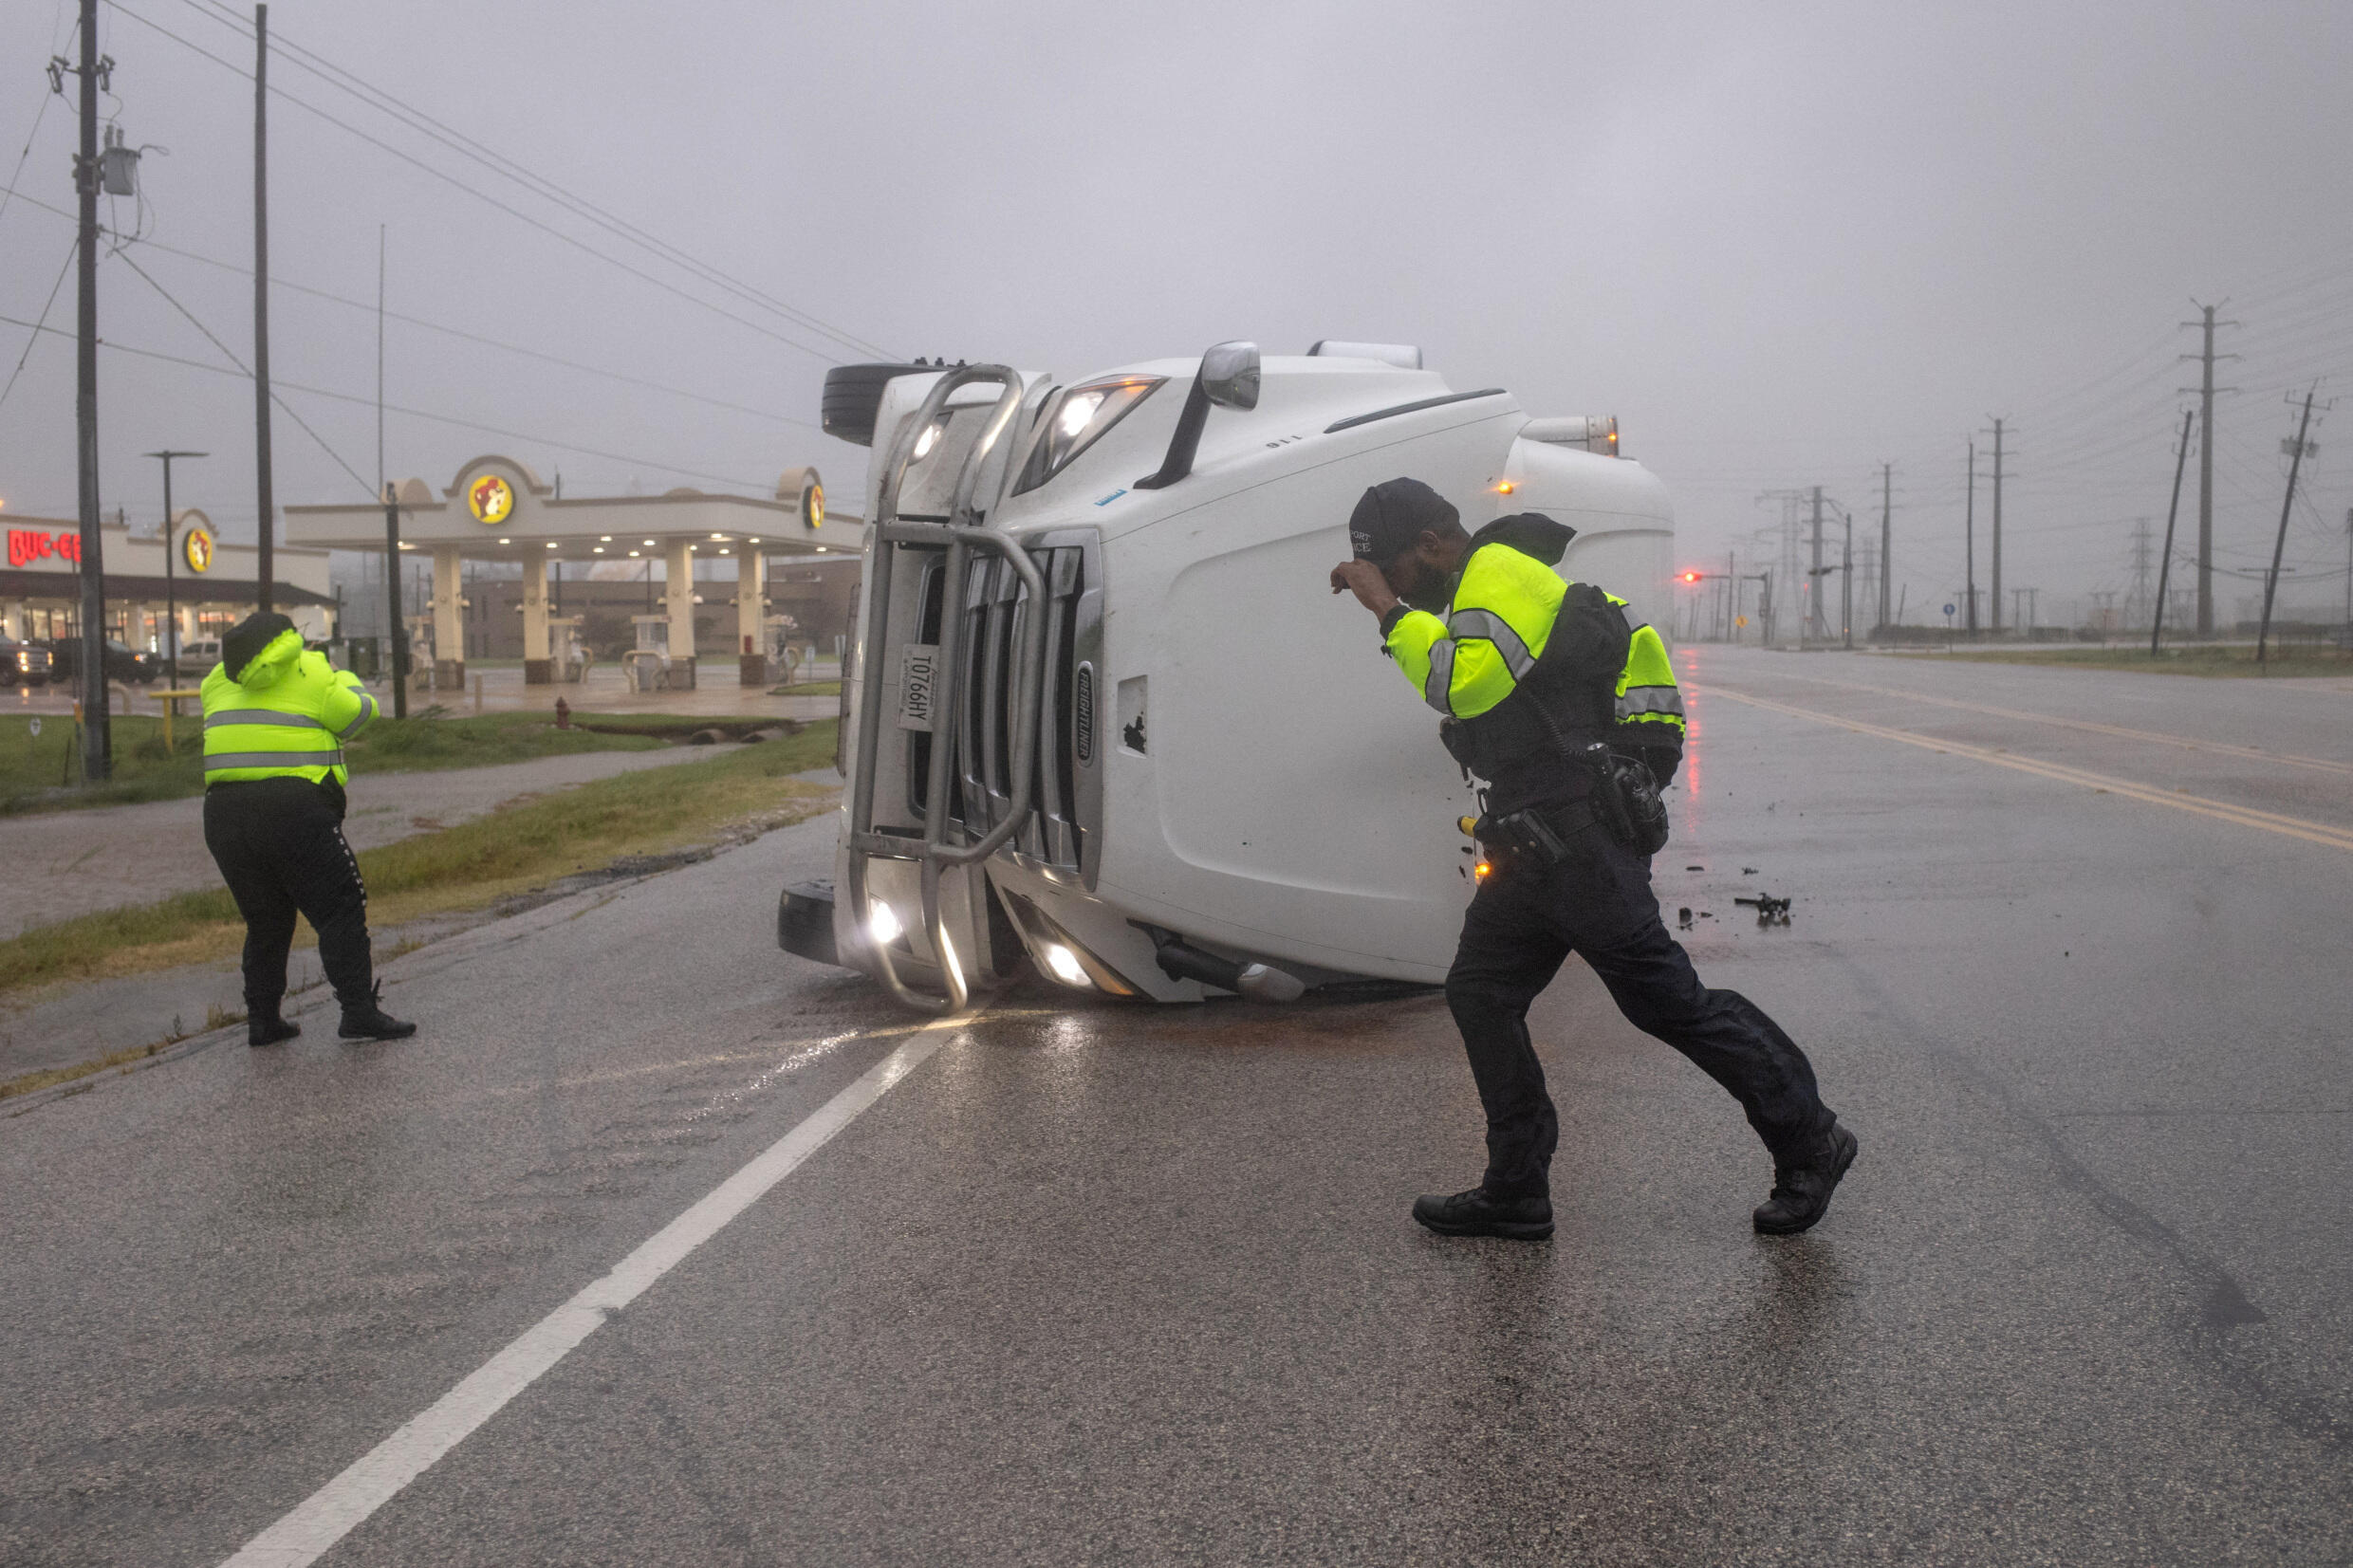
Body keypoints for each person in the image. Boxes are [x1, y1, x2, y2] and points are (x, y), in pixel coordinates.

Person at [1328, 478, 1854, 1241]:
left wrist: (1386, 610)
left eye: (1397, 571)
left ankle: (1811, 1138)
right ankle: (1516, 1187)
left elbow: (1461, 687)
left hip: (1576, 842)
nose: (1398, 589)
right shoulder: (1487, 585)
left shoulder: (1496, 573)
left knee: (1668, 1002)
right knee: (1481, 990)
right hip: (1533, 841)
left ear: (1432, 545)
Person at [201, 611, 416, 1046]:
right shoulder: (312, 670)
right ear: (290, 642)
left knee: (266, 919)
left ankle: (263, 1021)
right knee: (340, 908)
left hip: (223, 814)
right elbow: (358, 716)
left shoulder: (216, 681)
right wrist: (343, 676)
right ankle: (358, 1012)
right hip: (294, 809)